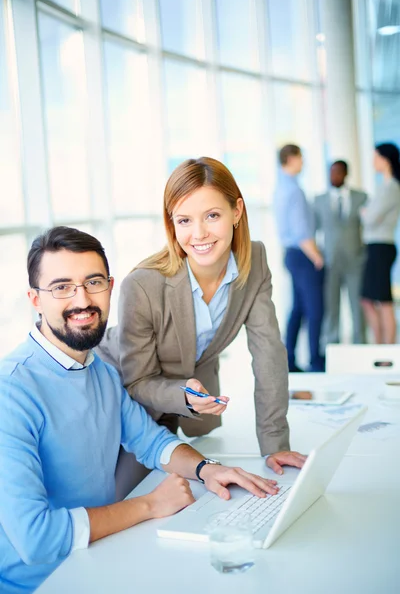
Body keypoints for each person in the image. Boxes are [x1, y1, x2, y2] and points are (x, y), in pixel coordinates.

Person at [0, 226, 301, 594]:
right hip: (42, 583)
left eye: (93, 282)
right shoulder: (10, 392)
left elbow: (151, 441)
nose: (82, 300)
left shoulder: (101, 372)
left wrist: (208, 469)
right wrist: (150, 505)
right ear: (35, 299)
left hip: (102, 558)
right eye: (62, 287)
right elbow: (36, 538)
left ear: (110, 287)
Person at [97, 157, 306, 469]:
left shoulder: (255, 259)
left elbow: (269, 354)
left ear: (236, 211)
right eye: (184, 221)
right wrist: (182, 394)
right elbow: (137, 379)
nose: (199, 234)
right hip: (119, 400)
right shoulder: (142, 284)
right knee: (126, 494)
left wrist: (275, 445)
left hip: (185, 406)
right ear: (171, 224)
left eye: (211, 216)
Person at [273, 144, 325, 372]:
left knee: (298, 308)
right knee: (315, 309)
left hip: (292, 254)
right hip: (303, 255)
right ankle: (315, 360)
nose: (303, 162)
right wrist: (317, 257)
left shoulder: (281, 187)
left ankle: (289, 359)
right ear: (291, 159)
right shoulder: (293, 189)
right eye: (300, 158)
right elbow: (301, 231)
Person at [314, 160, 367, 344]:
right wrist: (318, 256)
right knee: (331, 306)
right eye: (331, 172)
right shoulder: (319, 200)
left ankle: (361, 342)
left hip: (355, 261)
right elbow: (313, 230)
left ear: (345, 174)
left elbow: (369, 226)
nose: (334, 176)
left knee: (357, 305)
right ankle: (331, 344)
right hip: (330, 262)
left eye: (338, 172)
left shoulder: (361, 197)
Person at [361, 143, 400, 344]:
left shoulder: (392, 187)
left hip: (381, 247)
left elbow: (370, 217)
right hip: (376, 247)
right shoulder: (384, 186)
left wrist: (365, 212)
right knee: (368, 298)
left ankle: (388, 348)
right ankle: (379, 345)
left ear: (386, 159)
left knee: (383, 300)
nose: (373, 162)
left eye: (376, 157)